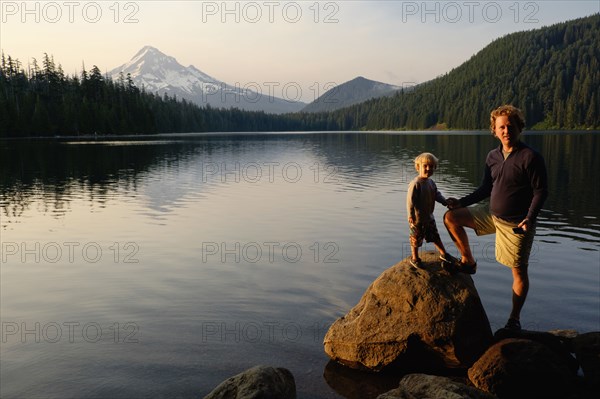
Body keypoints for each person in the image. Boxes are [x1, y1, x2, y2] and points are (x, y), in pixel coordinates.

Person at [444, 105, 548, 330]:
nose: (506, 130)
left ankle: (514, 320)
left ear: (520, 128)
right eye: (501, 127)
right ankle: (468, 262)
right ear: (494, 130)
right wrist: (461, 202)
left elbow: (541, 192)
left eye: (511, 126)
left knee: (518, 271)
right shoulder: (492, 156)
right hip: (491, 216)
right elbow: (485, 189)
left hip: (516, 224)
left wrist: (529, 218)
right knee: (451, 217)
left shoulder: (530, 157)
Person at [406, 152, 456, 269]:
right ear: (418, 167)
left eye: (431, 166)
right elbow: (410, 202)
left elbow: (436, 195)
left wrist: (445, 201)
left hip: (429, 217)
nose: (428, 169)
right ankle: (415, 258)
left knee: (434, 236)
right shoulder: (415, 184)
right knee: (416, 238)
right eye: (425, 166)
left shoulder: (431, 183)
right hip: (417, 219)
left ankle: (443, 253)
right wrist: (410, 215)